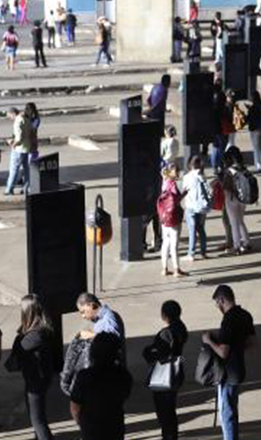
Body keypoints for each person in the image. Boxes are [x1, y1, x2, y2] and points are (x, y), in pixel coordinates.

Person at [202, 285, 255, 440]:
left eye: (217, 303)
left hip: (228, 374)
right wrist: (237, 348)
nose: (217, 307)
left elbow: (223, 353)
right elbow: (253, 343)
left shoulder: (228, 320)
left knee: (226, 414)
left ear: (221, 299)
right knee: (232, 409)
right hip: (239, 369)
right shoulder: (245, 315)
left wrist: (209, 341)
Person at [70, 333, 133, 440]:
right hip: (115, 424)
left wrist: (81, 423)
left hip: (91, 426)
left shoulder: (85, 376)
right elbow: (124, 396)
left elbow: (75, 407)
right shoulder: (124, 375)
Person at [10, 295, 56, 440]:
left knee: (37, 420)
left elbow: (19, 349)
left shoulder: (34, 336)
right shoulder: (44, 328)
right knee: (37, 416)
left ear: (27, 312)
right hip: (40, 377)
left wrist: (20, 335)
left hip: (36, 380)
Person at [142, 300, 188, 440]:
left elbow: (157, 354)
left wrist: (147, 351)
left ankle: (168, 436)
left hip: (163, 377)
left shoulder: (165, 333)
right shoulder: (181, 328)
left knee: (164, 412)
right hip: (176, 373)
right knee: (170, 410)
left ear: (165, 315)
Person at [159, 163, 188, 277]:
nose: (178, 173)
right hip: (173, 217)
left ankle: (164, 268)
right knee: (174, 244)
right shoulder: (172, 184)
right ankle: (177, 269)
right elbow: (175, 200)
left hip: (164, 216)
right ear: (171, 172)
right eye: (176, 171)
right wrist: (184, 194)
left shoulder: (164, 182)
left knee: (165, 242)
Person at [222, 149, 251, 255]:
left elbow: (226, 187)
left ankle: (237, 246)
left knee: (234, 223)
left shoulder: (229, 171)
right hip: (243, 198)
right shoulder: (244, 168)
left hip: (231, 199)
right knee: (240, 220)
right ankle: (247, 242)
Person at [246, 90, 261, 172]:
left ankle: (259, 165)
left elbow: (248, 119)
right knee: (260, 147)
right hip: (260, 129)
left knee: (256, 148)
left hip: (254, 129)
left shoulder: (253, 108)